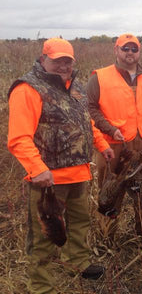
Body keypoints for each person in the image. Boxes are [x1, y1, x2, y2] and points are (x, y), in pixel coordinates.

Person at [7, 38, 113, 293]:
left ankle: (77, 262)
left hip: (79, 172)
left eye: (67, 60)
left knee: (79, 222)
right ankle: (41, 285)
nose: (63, 65)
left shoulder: (75, 87)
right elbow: (19, 137)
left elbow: (85, 124)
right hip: (48, 180)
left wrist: (101, 144)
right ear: (43, 59)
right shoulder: (28, 88)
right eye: (57, 60)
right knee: (44, 234)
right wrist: (37, 169)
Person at [87, 33, 142, 238]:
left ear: (139, 52)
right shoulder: (100, 77)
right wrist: (109, 129)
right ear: (116, 50)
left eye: (134, 49)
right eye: (125, 48)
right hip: (114, 146)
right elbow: (90, 108)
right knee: (110, 192)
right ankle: (106, 238)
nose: (129, 53)